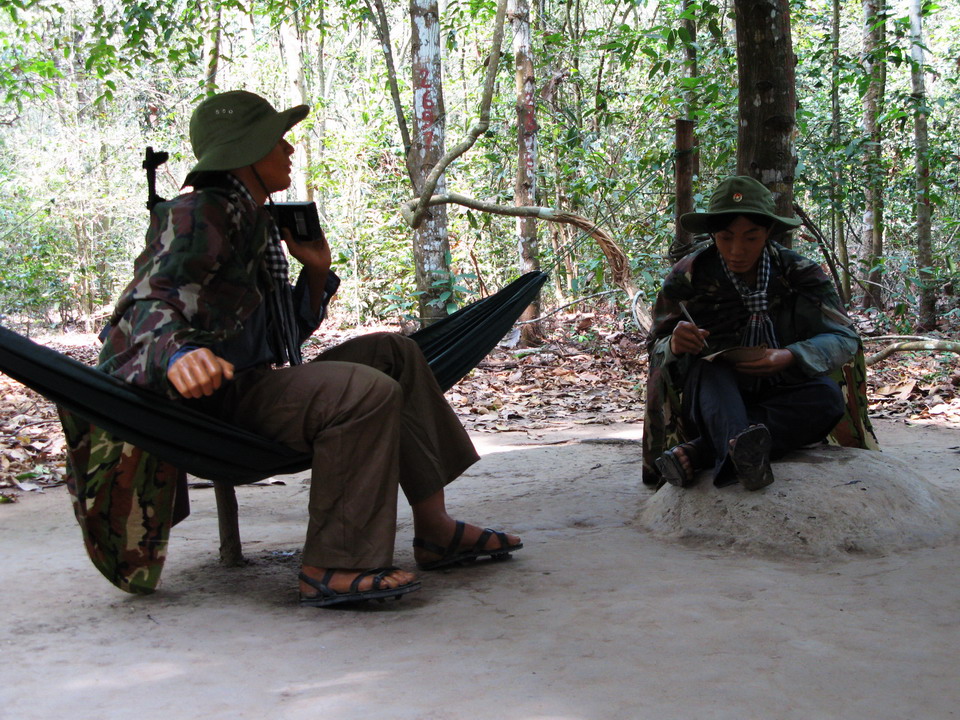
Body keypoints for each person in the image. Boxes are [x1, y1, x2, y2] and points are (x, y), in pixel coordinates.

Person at [97, 90, 521, 607]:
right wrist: (178, 352)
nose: (289, 149)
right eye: (278, 139)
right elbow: (146, 302)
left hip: (252, 383)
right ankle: (335, 565)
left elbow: (283, 337)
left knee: (395, 354)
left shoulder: (252, 219)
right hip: (215, 404)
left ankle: (435, 529)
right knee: (363, 391)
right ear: (247, 149)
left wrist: (316, 272)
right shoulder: (197, 213)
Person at [642, 175, 874, 491]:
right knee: (712, 371)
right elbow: (655, 347)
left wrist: (790, 355)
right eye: (725, 238)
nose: (737, 250)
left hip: (782, 390)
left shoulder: (800, 273)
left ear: (768, 232)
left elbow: (845, 338)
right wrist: (674, 344)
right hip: (712, 397)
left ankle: (706, 451)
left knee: (828, 398)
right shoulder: (688, 276)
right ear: (712, 235)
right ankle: (737, 450)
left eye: (751, 238)